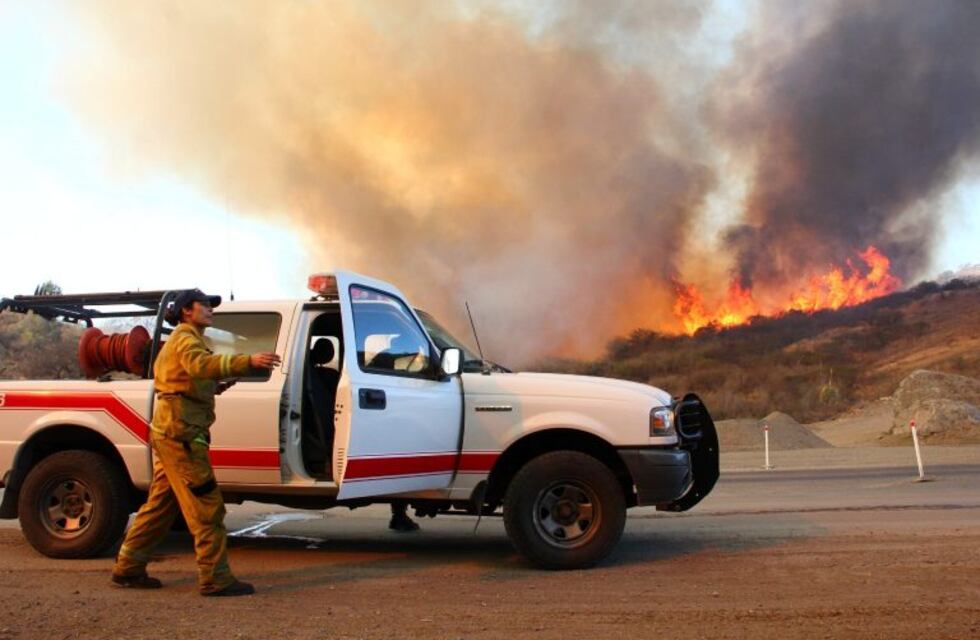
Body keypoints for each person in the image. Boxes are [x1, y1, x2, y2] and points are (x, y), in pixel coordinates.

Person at [110, 289, 281, 596]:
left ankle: (128, 567)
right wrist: (248, 360)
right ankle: (216, 578)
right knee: (207, 507)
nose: (210, 309)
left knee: (161, 506)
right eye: (204, 305)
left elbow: (187, 378)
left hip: (172, 433)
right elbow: (199, 365)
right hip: (183, 437)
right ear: (186, 311)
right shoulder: (187, 338)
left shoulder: (183, 339)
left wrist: (213, 388)